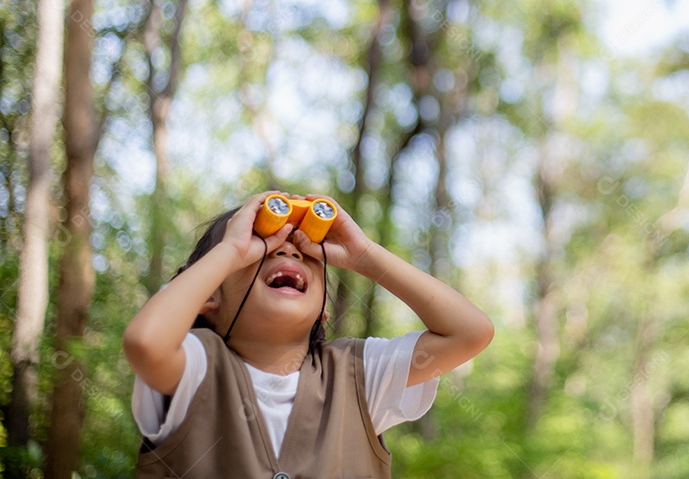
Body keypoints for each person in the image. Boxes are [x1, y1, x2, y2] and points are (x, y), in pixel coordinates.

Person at [124, 190, 495, 478]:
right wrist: (232, 249)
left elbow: (470, 332)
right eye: (261, 243)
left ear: (323, 312)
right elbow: (146, 341)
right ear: (207, 294)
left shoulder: (360, 376)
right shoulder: (197, 367)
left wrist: (364, 254)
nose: (288, 249)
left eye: (307, 249)